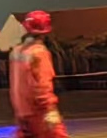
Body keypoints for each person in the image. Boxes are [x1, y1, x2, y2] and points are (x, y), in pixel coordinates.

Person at [10, 10, 68, 138]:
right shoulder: (39, 52)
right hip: (38, 112)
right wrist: (50, 109)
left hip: (21, 111)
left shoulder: (16, 52)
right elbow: (43, 84)